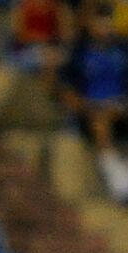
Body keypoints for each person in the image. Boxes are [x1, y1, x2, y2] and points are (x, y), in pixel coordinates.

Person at [60, 6, 128, 202]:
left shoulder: (122, 50)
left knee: (111, 111)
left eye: (108, 24)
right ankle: (116, 175)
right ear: (91, 25)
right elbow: (66, 88)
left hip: (120, 105)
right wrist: (83, 107)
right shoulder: (78, 53)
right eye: (100, 24)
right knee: (101, 119)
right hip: (90, 110)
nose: (104, 29)